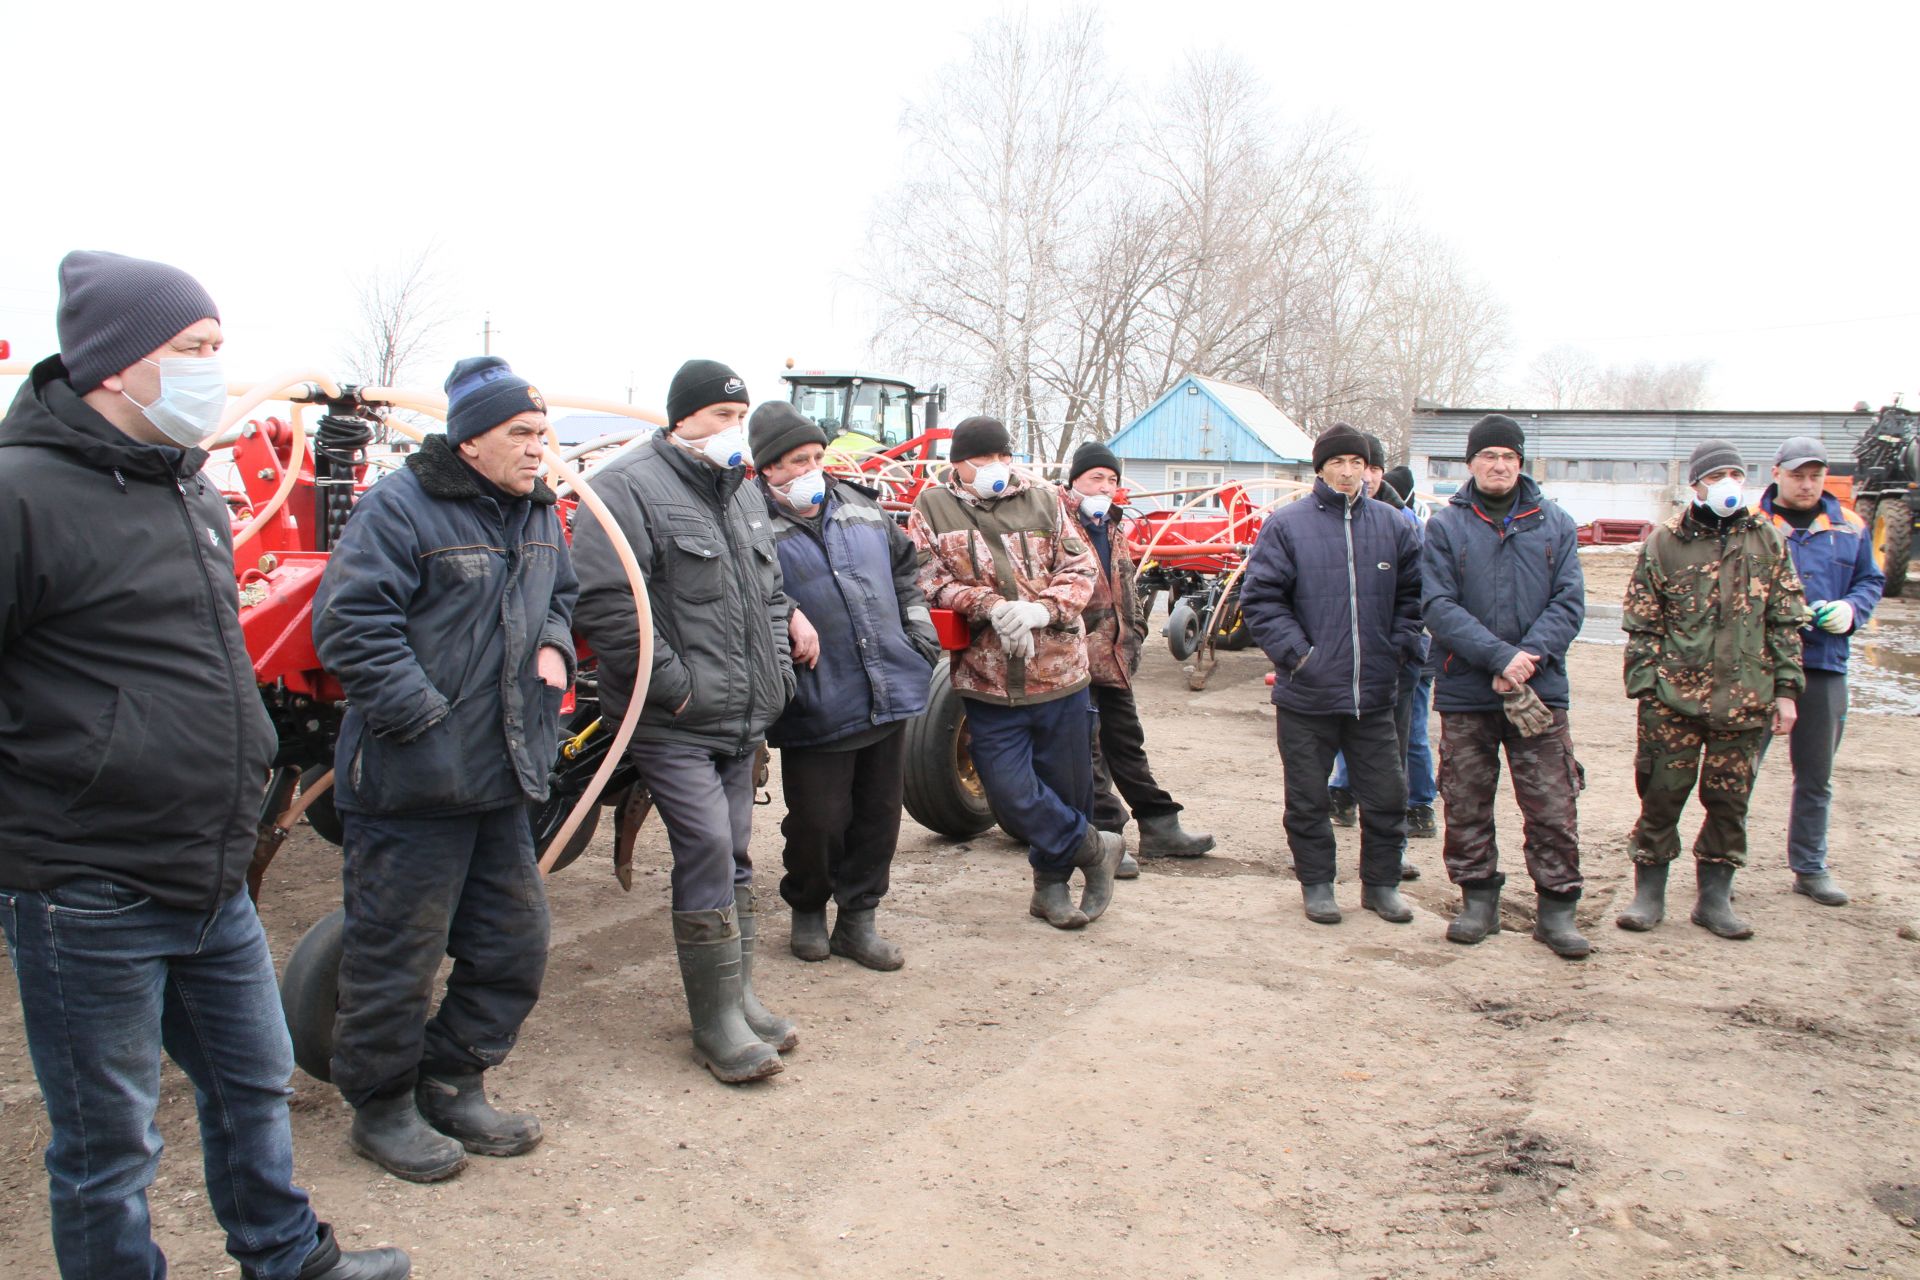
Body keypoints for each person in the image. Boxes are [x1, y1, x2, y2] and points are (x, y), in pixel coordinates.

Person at [0, 251, 407, 1277]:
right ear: (114, 364)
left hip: (209, 864)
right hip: (88, 879)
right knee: (109, 1141)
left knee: (252, 1078)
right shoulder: (20, 496)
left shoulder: (187, 491)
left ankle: (287, 1255)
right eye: (194, 349)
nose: (214, 371)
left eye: (220, 349)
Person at [313, 356, 577, 1182]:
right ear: (470, 443)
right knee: (397, 956)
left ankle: (453, 1079)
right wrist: (426, 719)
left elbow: (560, 596)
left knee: (514, 943)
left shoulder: (539, 515)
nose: (539, 449)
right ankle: (382, 1109)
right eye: (520, 434)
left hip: (502, 776)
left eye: (543, 433)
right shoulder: (401, 508)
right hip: (411, 782)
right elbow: (351, 623)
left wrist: (555, 645)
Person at [571, 360, 798, 1084]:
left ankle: (740, 998)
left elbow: (769, 593)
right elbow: (609, 605)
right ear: (682, 420)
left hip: (741, 713)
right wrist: (676, 690)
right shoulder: (624, 489)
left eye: (741, 417)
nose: (736, 430)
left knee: (734, 847)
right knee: (704, 845)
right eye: (721, 418)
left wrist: (779, 678)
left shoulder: (742, 493)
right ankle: (715, 1026)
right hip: (673, 717)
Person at [905, 415, 1120, 930]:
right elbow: (926, 579)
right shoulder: (932, 508)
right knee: (1009, 793)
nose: (997, 468)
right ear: (958, 464)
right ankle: (1095, 847)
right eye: (985, 461)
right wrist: (989, 606)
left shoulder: (1045, 499)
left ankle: (1050, 890)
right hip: (986, 681)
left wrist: (1042, 610)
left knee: (1067, 789)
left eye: (1004, 457)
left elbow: (1081, 569)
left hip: (1059, 675)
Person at [749, 401, 939, 969]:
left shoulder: (861, 507)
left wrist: (918, 639)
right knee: (818, 821)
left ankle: (858, 920)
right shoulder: (750, 526)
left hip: (887, 688)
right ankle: (808, 909)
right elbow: (745, 590)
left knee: (878, 816)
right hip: (816, 695)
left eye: (815, 457)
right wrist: (785, 612)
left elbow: (909, 571)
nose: (810, 469)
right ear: (766, 472)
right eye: (794, 462)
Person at [1619, 439, 1807, 939]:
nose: (1727, 483)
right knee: (1660, 795)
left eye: (1736, 475)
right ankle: (1648, 893)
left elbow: (1785, 622)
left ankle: (1714, 898)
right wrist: (1647, 690)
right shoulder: (1666, 541)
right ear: (1696, 484)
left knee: (1729, 803)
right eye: (1716, 475)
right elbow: (1642, 623)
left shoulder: (1766, 540)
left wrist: (1786, 691)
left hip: (1744, 701)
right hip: (1673, 702)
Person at [1240, 422, 1424, 925]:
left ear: (1369, 470)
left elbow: (1414, 597)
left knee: (1388, 795)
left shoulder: (1393, 525)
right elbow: (1260, 600)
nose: (1348, 472)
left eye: (1357, 463)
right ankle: (1317, 884)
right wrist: (1301, 657)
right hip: (1308, 694)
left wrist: (1399, 648)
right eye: (1337, 463)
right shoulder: (1288, 524)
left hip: (1375, 693)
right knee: (1308, 797)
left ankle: (1381, 885)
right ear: (1319, 468)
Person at [1422, 414, 1590, 958]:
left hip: (1540, 692)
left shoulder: (1555, 524)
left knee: (1552, 804)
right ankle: (1478, 901)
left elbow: (1569, 602)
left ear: (1521, 464)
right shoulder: (1446, 528)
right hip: (1467, 690)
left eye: (1509, 457)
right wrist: (1498, 656)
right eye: (1489, 456)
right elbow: (1437, 606)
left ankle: (1557, 909)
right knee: (1466, 800)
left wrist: (1526, 660)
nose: (1499, 465)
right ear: (1471, 464)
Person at [1066, 441, 1215, 870]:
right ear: (1075, 479)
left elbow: (1126, 589)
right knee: (1088, 751)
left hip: (1114, 655)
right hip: (1074, 659)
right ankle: (1106, 838)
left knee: (1127, 742)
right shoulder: (1055, 523)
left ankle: (1159, 826)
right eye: (1097, 477)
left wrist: (1135, 634)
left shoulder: (1111, 525)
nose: (1106, 487)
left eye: (1112, 480)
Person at [1758, 436, 1883, 906]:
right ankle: (1721, 866)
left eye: (1815, 475)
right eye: (1797, 475)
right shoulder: (1753, 525)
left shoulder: (1849, 526)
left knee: (1815, 775)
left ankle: (1809, 867)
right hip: (1761, 667)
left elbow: (1871, 579)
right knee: (1736, 773)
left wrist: (1852, 609)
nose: (1807, 484)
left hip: (1824, 664)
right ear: (1777, 474)